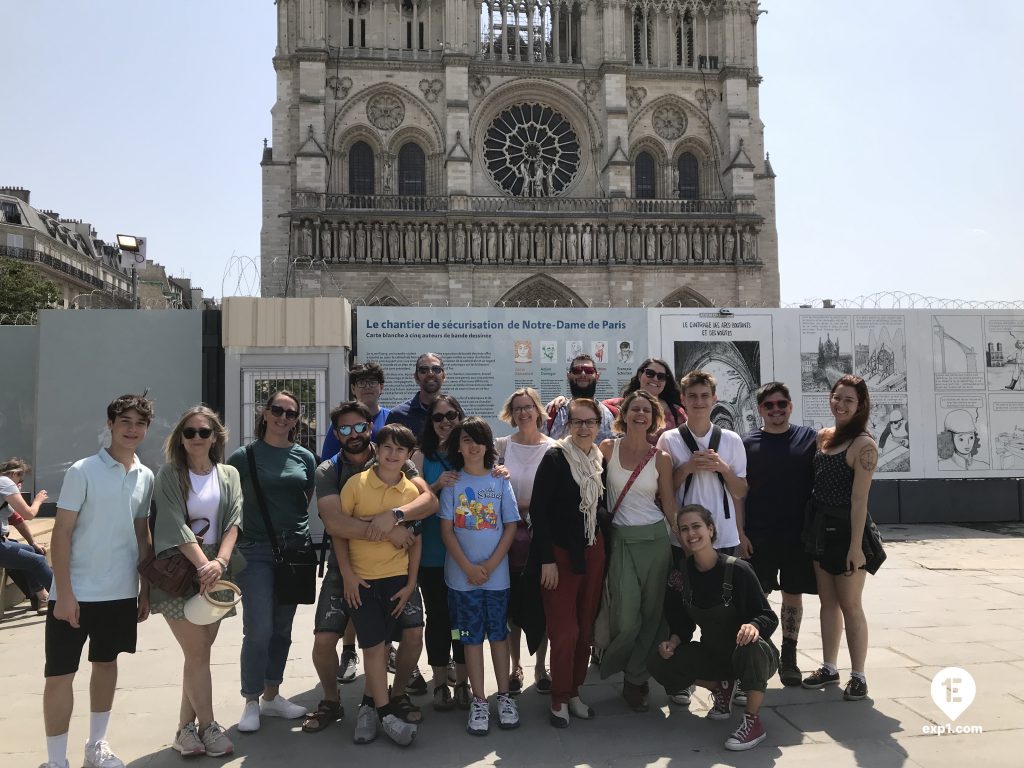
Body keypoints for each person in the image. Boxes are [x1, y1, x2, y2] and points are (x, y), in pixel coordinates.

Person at [305, 401, 437, 734]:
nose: (354, 434)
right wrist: (390, 533)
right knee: (324, 640)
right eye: (345, 429)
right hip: (344, 566)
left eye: (360, 427)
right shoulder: (330, 471)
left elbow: (429, 502)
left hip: (391, 569)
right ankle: (331, 701)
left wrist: (395, 517)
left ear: (370, 429)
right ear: (337, 434)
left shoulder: (398, 463)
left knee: (405, 634)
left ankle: (395, 695)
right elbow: (335, 524)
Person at [41, 394, 156, 768]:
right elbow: (61, 535)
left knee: (106, 666)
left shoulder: (146, 475)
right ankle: (57, 761)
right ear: (110, 425)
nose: (132, 429)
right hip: (74, 595)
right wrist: (65, 594)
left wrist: (145, 588)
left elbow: (142, 535)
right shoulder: (82, 470)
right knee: (60, 675)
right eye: (125, 421)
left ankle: (97, 746)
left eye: (140, 423)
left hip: (120, 593)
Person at [648, 504, 780, 752]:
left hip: (753, 656)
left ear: (710, 530)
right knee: (658, 662)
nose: (691, 534)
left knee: (750, 645)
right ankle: (720, 687)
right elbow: (682, 622)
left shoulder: (738, 569)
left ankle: (753, 721)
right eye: (684, 529)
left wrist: (753, 626)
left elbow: (767, 615)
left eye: (697, 526)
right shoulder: (680, 573)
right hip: (715, 655)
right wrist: (673, 641)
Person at [151, 406, 243, 758]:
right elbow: (175, 523)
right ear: (181, 437)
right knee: (197, 652)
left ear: (215, 436)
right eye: (189, 432)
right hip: (179, 568)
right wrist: (205, 565)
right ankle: (209, 727)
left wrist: (219, 562)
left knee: (198, 655)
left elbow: (234, 520)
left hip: (217, 569)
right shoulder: (170, 474)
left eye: (204, 432)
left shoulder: (229, 473)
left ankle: (183, 731)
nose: (197, 438)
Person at [227, 389, 317, 733]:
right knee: (259, 629)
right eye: (277, 410)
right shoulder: (243, 456)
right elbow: (231, 500)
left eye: (291, 413)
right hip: (256, 550)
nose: (283, 417)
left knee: (282, 628)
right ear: (265, 413)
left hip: (294, 550)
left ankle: (272, 695)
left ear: (297, 419)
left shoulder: (304, 456)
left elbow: (303, 498)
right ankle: (251, 699)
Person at [337, 424, 425, 747]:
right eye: (387, 447)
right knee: (372, 646)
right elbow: (339, 531)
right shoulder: (355, 485)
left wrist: (412, 582)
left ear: (408, 455)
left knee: (386, 644)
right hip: (361, 580)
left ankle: (372, 705)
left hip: (397, 581)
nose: (392, 454)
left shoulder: (412, 493)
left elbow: (415, 541)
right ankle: (383, 713)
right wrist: (346, 574)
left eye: (400, 450)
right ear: (376, 448)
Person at [439, 417, 522, 735]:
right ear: (458, 447)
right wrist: (470, 568)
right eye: (465, 440)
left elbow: (511, 525)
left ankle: (504, 696)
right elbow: (447, 532)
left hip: (497, 578)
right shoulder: (452, 483)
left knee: (498, 635)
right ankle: (479, 701)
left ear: (489, 445)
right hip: (461, 579)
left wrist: (489, 565)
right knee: (469, 638)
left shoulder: (500, 481)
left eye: (478, 440)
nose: (472, 447)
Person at [597, 390, 677, 712]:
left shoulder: (661, 458)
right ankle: (616, 660)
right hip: (620, 541)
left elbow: (669, 504)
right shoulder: (607, 448)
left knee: (652, 615)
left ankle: (635, 678)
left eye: (646, 410)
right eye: (635, 409)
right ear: (624, 414)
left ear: (654, 417)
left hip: (656, 541)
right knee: (626, 617)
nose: (640, 414)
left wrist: (687, 540)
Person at [529, 398, 607, 728]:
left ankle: (574, 691)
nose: (584, 428)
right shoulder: (556, 457)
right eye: (578, 422)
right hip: (560, 554)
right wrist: (546, 559)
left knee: (585, 627)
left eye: (590, 422)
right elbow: (538, 511)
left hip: (593, 549)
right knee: (565, 630)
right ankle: (558, 697)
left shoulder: (598, 458)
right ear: (568, 425)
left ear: (598, 425)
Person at [802, 374, 879, 702]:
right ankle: (830, 666)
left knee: (850, 604)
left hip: (848, 532)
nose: (842, 404)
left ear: (860, 405)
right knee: (827, 602)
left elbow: (860, 501)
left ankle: (858, 675)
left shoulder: (864, 445)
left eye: (849, 399)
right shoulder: (823, 437)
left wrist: (855, 548)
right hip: (821, 528)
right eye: (838, 397)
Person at [741, 383, 817, 687]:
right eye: (769, 405)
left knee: (793, 595)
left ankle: (789, 657)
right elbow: (739, 493)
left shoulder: (809, 438)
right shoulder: (748, 444)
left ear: (790, 405)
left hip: (797, 536)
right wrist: (740, 533)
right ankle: (757, 652)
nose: (776, 410)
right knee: (758, 596)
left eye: (781, 404)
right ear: (760, 409)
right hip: (759, 534)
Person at [412, 394, 471, 710]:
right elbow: (411, 503)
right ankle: (439, 683)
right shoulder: (422, 458)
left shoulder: (470, 452)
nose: (446, 422)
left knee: (462, 619)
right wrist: (436, 487)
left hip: (466, 552)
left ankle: (463, 681)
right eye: (438, 417)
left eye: (452, 415)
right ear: (430, 422)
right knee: (438, 616)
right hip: (433, 553)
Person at [495, 387, 554, 695]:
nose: (523, 413)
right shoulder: (501, 446)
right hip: (508, 540)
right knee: (512, 608)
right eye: (517, 408)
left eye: (528, 406)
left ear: (538, 410)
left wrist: (524, 504)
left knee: (542, 606)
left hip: (540, 540)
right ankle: (515, 667)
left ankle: (541, 667)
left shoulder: (554, 448)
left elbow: (556, 496)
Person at [0, 457, 52, 614]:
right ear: (15, 474)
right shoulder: (5, 482)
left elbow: (18, 520)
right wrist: (38, 500)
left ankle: (40, 597)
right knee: (38, 561)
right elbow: (28, 514)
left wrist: (32, 542)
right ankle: (61, 597)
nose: (19, 485)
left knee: (31, 552)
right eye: (20, 480)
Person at [602, 357, 687, 443]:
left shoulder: (676, 412)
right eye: (650, 373)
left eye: (661, 377)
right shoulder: (616, 405)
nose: (655, 379)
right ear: (640, 375)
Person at [320, 362, 391, 460]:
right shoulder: (342, 422)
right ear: (353, 389)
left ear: (381, 387)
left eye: (372, 382)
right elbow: (328, 459)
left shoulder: (391, 418)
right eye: (361, 383)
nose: (367, 387)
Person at [544, 354, 617, 442]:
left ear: (597, 377)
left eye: (589, 370)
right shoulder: (552, 412)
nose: (583, 374)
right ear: (568, 376)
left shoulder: (612, 415)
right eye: (577, 370)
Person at [386, 353, 446, 438]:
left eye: (436, 369)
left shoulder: (454, 414)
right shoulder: (398, 415)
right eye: (423, 370)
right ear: (416, 377)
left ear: (444, 376)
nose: (430, 374)